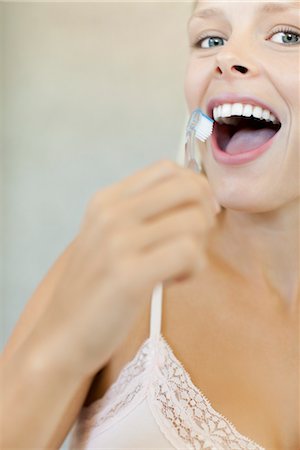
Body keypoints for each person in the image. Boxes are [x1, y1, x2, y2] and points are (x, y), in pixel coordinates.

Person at [1, 0, 299, 449]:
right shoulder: (121, 265)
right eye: (210, 39)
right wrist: (63, 349)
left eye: (288, 35)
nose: (225, 58)